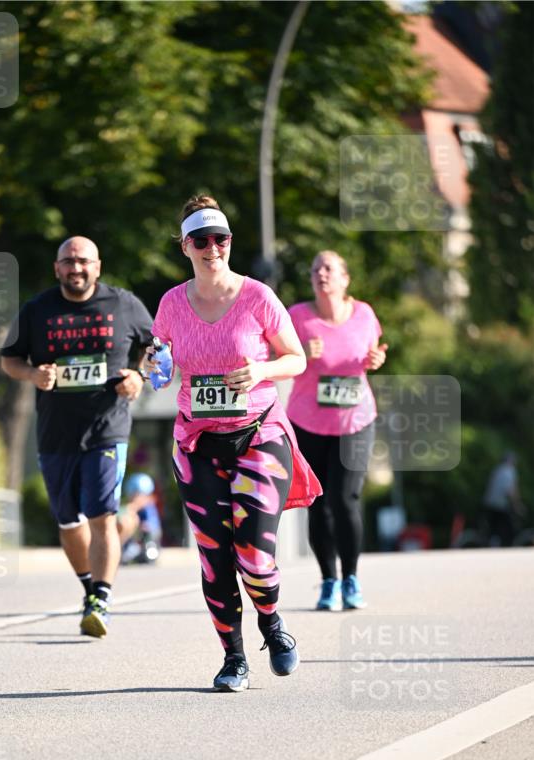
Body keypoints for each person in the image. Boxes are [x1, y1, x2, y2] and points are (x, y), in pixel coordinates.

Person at [145, 194, 321, 692]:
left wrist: (261, 368)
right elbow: (162, 365)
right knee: (215, 557)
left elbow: (297, 360)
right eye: (201, 240)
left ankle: (271, 622)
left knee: (254, 553)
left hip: (258, 432)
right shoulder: (172, 304)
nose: (212, 248)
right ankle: (234, 658)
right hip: (197, 442)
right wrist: (155, 368)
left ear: (229, 243)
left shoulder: (258, 297)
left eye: (220, 238)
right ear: (185, 247)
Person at [0, 236, 153, 637]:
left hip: (107, 427)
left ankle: (101, 597)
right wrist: (32, 374)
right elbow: (10, 359)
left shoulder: (125, 305)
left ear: (97, 266)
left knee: (102, 515)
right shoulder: (37, 310)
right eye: (68, 261)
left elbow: (157, 348)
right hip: (55, 432)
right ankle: (89, 588)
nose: (76, 268)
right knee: (68, 521)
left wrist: (139, 376)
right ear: (57, 269)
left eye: (83, 261)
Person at [286, 250, 388, 611]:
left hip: (355, 421)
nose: (321, 274)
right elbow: (277, 363)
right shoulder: (297, 318)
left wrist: (377, 359)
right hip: (308, 421)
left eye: (329, 268)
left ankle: (351, 579)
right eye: (315, 269)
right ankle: (328, 581)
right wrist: (301, 355)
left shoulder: (363, 314)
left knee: (345, 500)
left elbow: (373, 353)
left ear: (345, 279)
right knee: (318, 505)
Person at [118, 472, 162, 564]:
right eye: (132, 495)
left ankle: (142, 551)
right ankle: (127, 551)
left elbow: (152, 524)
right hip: (135, 540)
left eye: (137, 495)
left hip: (148, 539)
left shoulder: (148, 508)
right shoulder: (133, 508)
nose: (134, 498)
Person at [482, 452, 522, 546]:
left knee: (492, 528)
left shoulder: (497, 469)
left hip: (488, 503)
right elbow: (511, 491)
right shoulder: (510, 471)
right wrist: (517, 505)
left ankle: (490, 544)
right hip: (500, 505)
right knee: (509, 528)